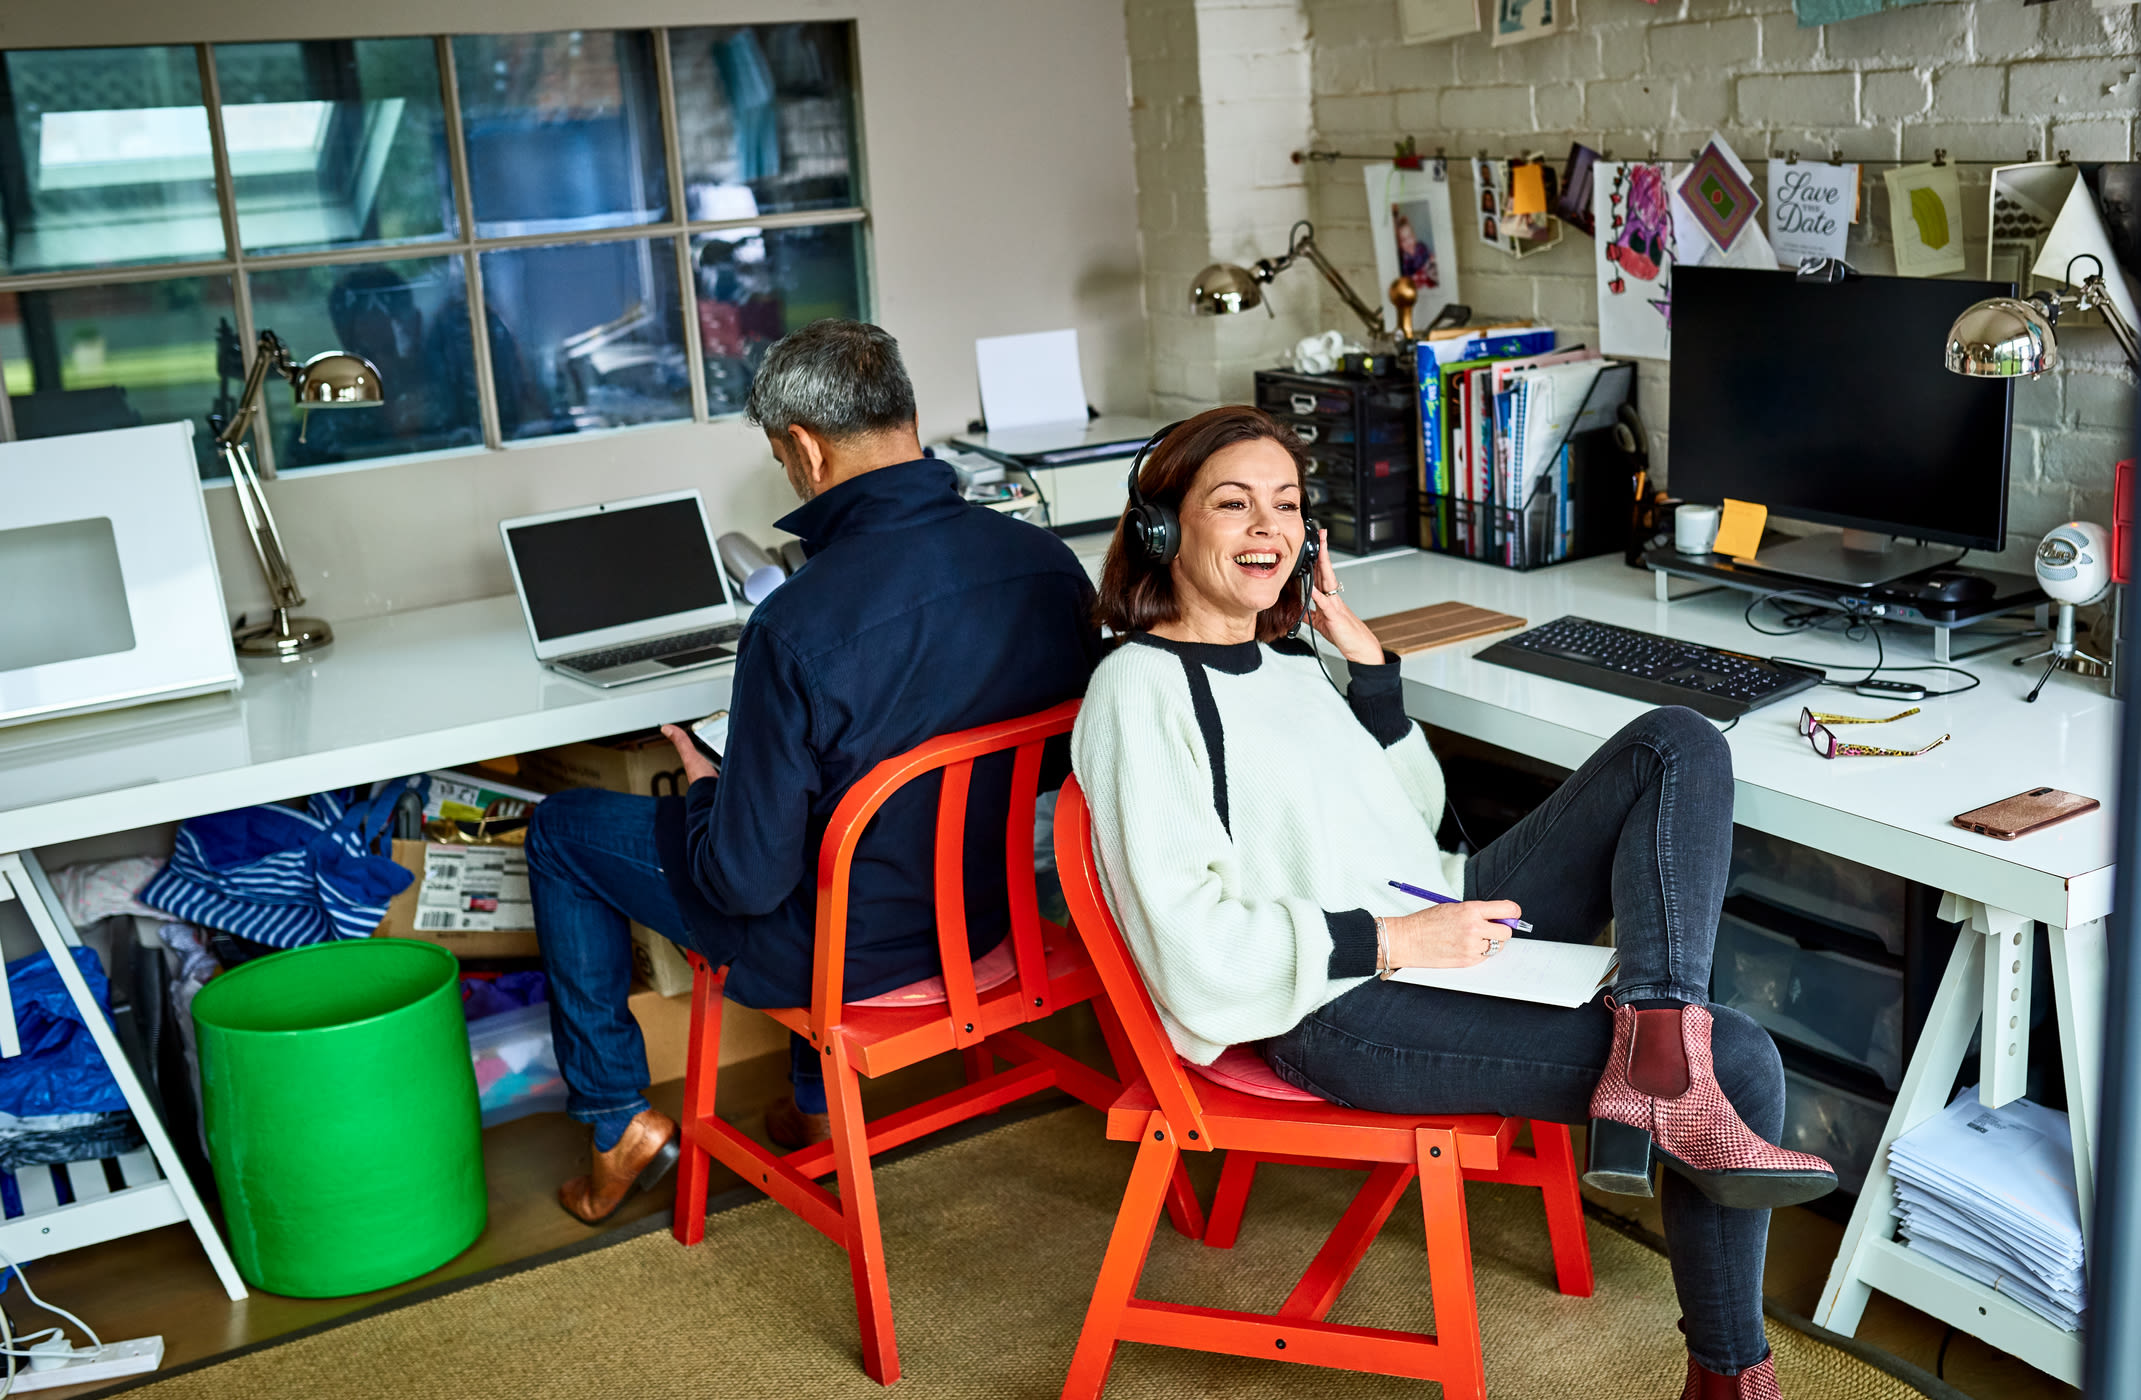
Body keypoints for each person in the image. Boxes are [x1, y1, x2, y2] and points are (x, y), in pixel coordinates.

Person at [1070, 404, 1834, 1400]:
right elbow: (1192, 947)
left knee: (1678, 738)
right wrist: (1394, 937)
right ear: (1163, 528)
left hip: (1429, 915)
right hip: (1334, 999)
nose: (1268, 528)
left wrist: (1372, 677)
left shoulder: (1288, 656)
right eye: (1232, 504)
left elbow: (1414, 827)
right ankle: (1730, 1376)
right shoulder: (1140, 690)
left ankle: (1654, 1043)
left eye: (1287, 506)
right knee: (1735, 1055)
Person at [525, 320, 1099, 1225]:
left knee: (561, 831)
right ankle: (813, 1107)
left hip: (850, 957)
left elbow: (743, 882)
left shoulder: (795, 625)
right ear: (906, 416)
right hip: (999, 919)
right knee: (833, 817)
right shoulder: (1047, 564)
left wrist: (714, 782)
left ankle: (613, 1123)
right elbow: (1061, 758)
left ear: (801, 447)